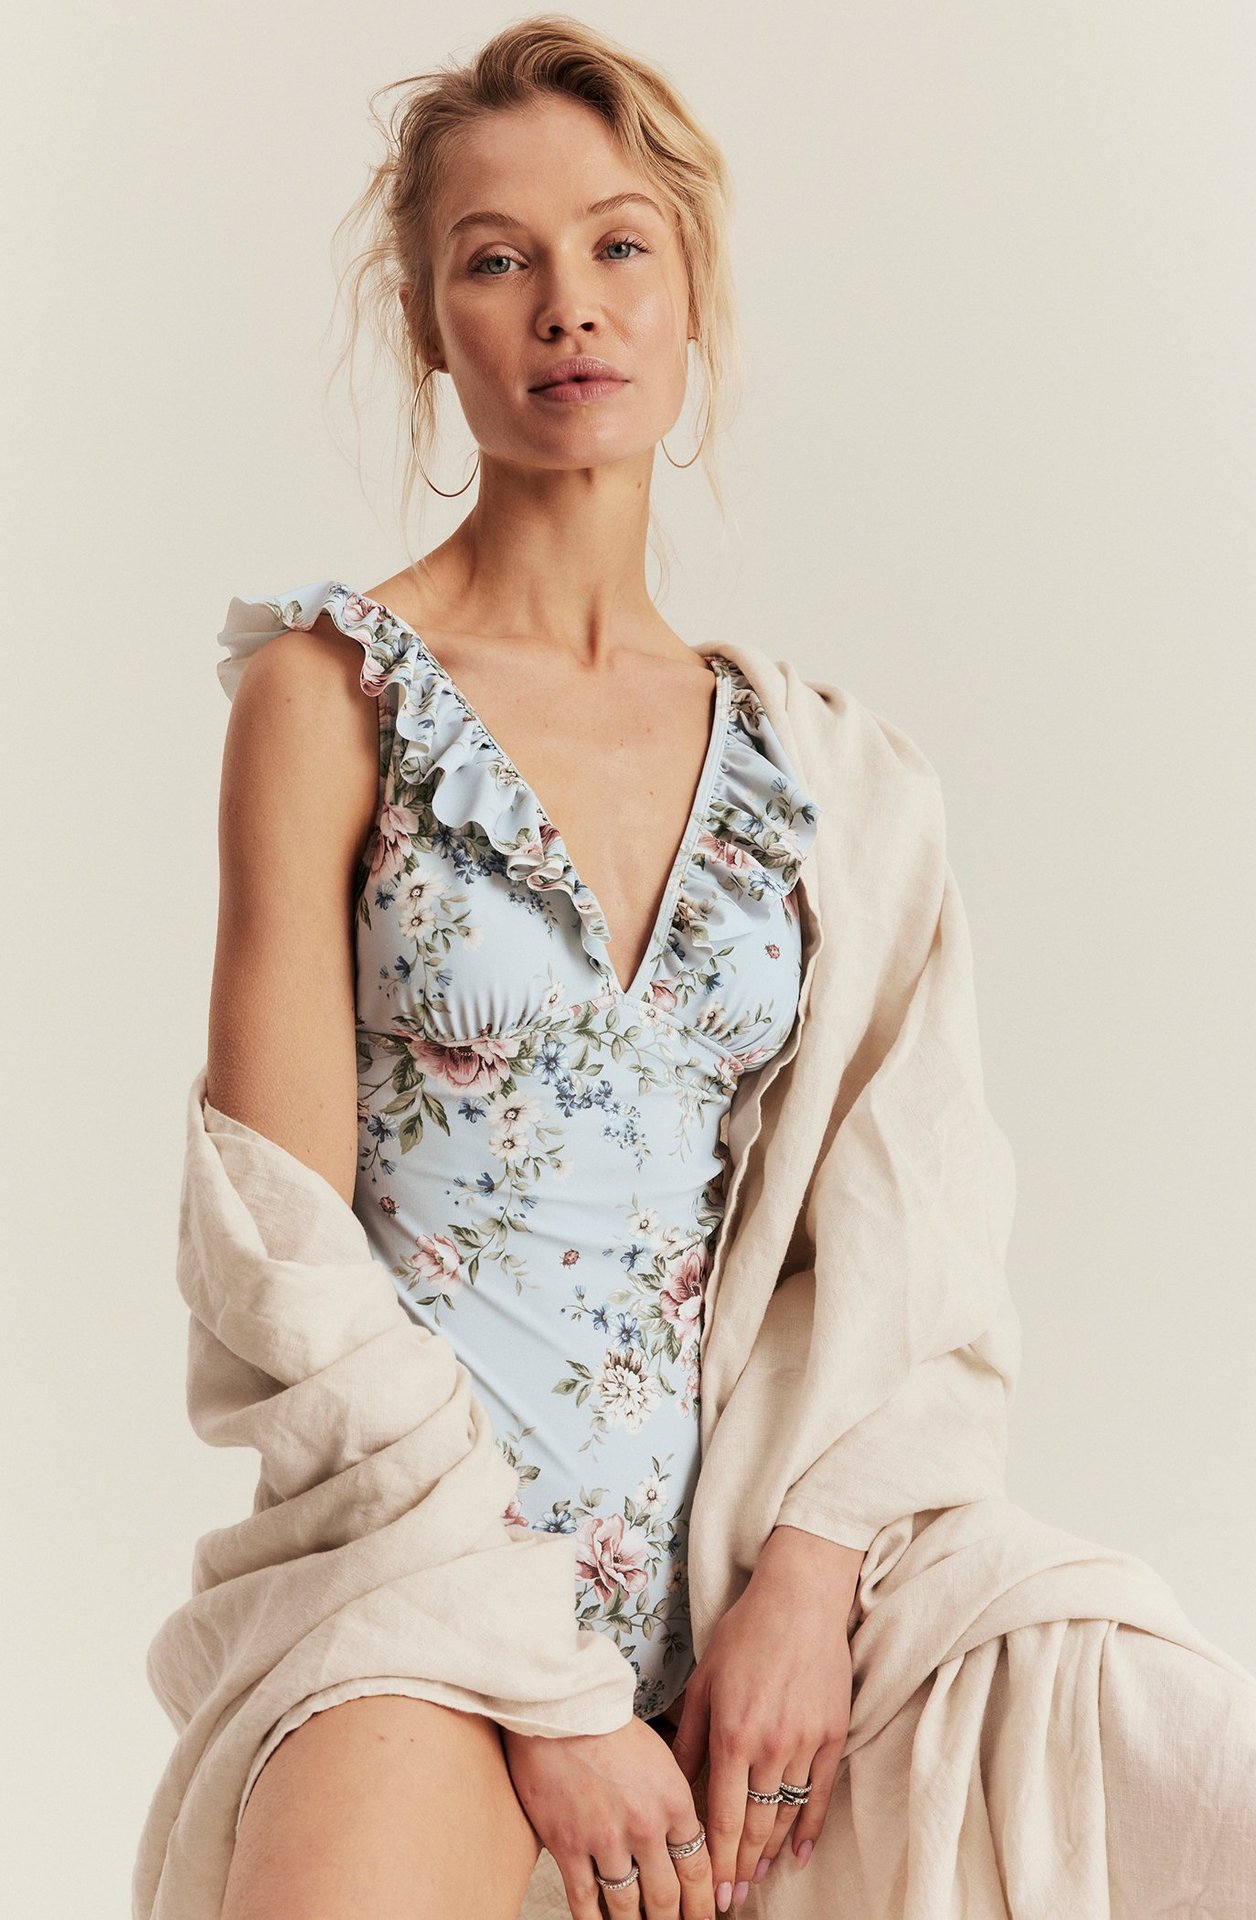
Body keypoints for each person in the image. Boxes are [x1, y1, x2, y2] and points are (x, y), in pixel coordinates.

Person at [208, 18, 845, 1919]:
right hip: (416, 1589)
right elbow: (282, 1255)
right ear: (429, 320)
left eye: (619, 244)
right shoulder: (331, 696)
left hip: (740, 1608)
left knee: (1164, 1747)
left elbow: (887, 1238)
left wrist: (806, 1577)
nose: (569, 304)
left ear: (689, 291)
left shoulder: (812, 765)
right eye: (498, 259)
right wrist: (551, 1690)